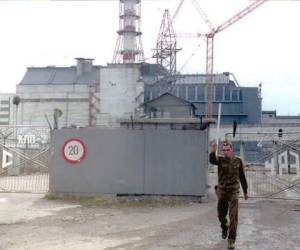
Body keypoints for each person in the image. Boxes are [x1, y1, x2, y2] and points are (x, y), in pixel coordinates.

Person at [209, 140, 248, 250]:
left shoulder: (238, 161)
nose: (226, 152)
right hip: (223, 191)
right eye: (224, 150)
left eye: (228, 150)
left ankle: (231, 240)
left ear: (232, 149)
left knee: (233, 216)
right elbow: (212, 160)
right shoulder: (220, 160)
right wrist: (213, 150)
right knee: (221, 215)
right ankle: (224, 226)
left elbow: (242, 177)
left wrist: (245, 191)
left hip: (233, 192)